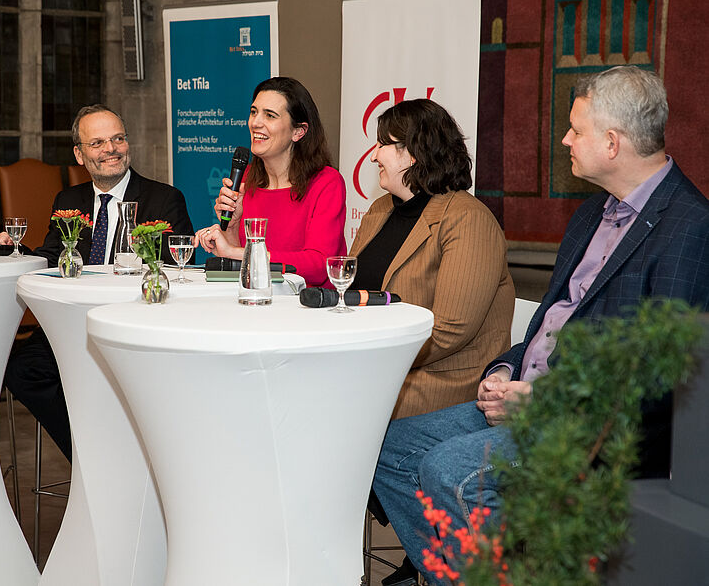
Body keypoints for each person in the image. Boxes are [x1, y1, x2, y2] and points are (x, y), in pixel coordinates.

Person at [372, 66, 709, 585]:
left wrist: (545, 401)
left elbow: (664, 376)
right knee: (385, 450)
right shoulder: (591, 214)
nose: (565, 140)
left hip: (589, 426)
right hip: (525, 401)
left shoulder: (689, 227)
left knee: (446, 472)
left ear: (613, 143)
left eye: (576, 129)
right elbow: (549, 328)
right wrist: (506, 369)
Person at [0, 104, 193, 461]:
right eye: (99, 142)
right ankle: (91, 454)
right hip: (71, 324)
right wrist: (16, 249)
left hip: (132, 324)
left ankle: (130, 457)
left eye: (118, 138)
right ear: (79, 153)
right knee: (24, 371)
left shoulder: (164, 199)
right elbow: (53, 255)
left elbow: (183, 269)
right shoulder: (68, 200)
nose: (111, 149)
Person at [351, 99, 514, 421]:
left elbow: (449, 331)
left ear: (413, 153)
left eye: (383, 144)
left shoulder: (467, 219)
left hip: (440, 379)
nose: (373, 155)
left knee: (324, 404)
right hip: (379, 366)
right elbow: (354, 292)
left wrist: (364, 357)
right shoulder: (380, 210)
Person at [194, 76, 347, 286]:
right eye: (254, 112)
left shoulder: (326, 182)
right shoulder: (246, 178)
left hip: (308, 308)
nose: (255, 123)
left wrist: (238, 252)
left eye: (270, 115)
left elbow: (319, 266)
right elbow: (240, 266)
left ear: (298, 131)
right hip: (256, 301)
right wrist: (231, 227)